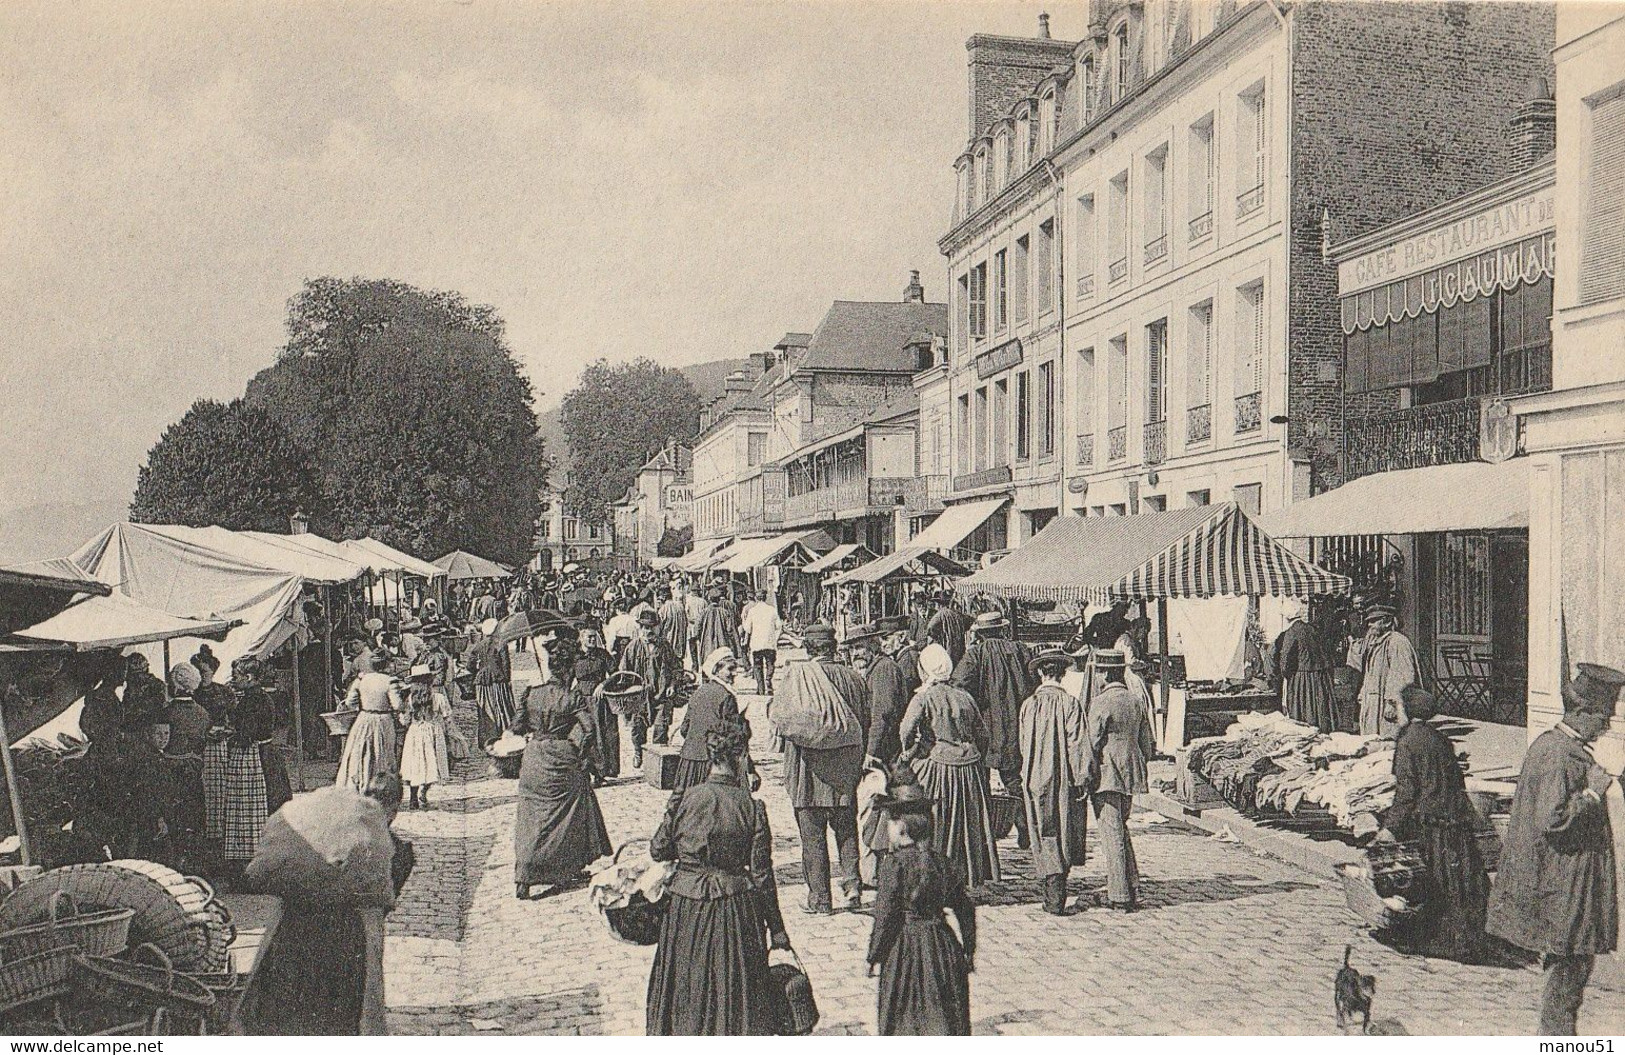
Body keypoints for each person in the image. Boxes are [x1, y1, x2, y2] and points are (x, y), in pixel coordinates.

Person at [1487, 663, 1621, 1036]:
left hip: (1567, 886)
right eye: (1602, 717)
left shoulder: (1560, 748)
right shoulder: (1558, 755)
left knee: (1570, 975)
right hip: (1563, 889)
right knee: (1567, 978)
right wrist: (1593, 793)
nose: (1607, 725)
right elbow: (1554, 820)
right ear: (1580, 713)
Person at [646, 721, 791, 1035]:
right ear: (740, 756)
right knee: (735, 990)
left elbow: (657, 851)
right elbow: (763, 876)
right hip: (734, 909)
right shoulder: (752, 808)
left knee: (687, 985)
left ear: (711, 758)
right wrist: (778, 930)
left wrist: (673, 812)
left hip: (685, 909)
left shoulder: (686, 799)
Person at [245, 777, 400, 1035]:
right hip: (348, 936)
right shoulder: (387, 848)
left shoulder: (299, 839)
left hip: (294, 926)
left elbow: (261, 874)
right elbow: (381, 900)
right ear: (392, 811)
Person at [1374, 686, 1489, 962]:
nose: (1395, 713)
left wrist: (1389, 828)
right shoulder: (1440, 739)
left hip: (1429, 824)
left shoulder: (1407, 742)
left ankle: (1437, 939)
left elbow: (1407, 793)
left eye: (1398, 707)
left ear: (1409, 711)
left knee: (1430, 883)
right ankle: (1467, 940)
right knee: (1458, 885)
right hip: (1453, 821)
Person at [865, 782, 976, 1036]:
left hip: (903, 950)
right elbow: (965, 908)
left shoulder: (894, 865)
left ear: (902, 828)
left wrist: (874, 956)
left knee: (903, 1018)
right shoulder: (943, 863)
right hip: (942, 947)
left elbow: (885, 916)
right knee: (944, 1016)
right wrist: (968, 949)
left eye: (890, 823)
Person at [512, 622, 612, 900]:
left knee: (531, 817)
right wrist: (581, 755)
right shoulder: (572, 697)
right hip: (562, 756)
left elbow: (517, 727)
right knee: (570, 813)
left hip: (534, 758)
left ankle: (524, 874)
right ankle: (567, 866)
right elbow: (590, 730)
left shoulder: (531, 693)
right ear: (569, 671)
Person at [781, 623, 871, 914]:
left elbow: (785, 723)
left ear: (808, 649)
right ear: (834, 648)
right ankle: (852, 884)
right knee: (846, 829)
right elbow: (864, 722)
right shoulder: (855, 679)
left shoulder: (798, 678)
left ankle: (820, 899)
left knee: (813, 837)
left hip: (808, 771)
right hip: (844, 769)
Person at [901, 643, 1000, 887]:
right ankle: (966, 874)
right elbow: (983, 734)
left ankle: (932, 875)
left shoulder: (923, 697)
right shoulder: (965, 697)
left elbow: (906, 730)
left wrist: (911, 751)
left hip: (938, 765)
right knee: (967, 823)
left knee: (937, 820)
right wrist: (975, 756)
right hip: (969, 768)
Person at [952, 610, 1034, 849]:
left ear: (981, 633)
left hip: (986, 726)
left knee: (982, 781)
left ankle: (986, 832)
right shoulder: (1020, 650)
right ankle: (1023, 824)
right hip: (1018, 723)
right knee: (1014, 778)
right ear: (1001, 629)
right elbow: (1033, 681)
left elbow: (958, 684)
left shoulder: (975, 655)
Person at [1081, 649, 1155, 912]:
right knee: (1121, 829)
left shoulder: (1100, 702)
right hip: (1131, 772)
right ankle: (1132, 885)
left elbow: (1091, 742)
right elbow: (1147, 743)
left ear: (1104, 673)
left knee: (1111, 833)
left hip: (1107, 773)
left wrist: (1084, 775)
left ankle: (1120, 894)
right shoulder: (1135, 700)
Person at [1020, 647, 1090, 915]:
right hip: (1063, 777)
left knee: (1042, 828)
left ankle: (1051, 888)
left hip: (1035, 776)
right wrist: (1082, 777)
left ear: (1040, 673)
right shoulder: (1070, 704)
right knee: (1063, 827)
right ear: (1061, 674)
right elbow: (1077, 744)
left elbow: (1024, 744)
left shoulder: (1029, 705)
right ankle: (1058, 885)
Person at [674, 648, 757, 793]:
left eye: (735, 669)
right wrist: (750, 769)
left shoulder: (698, 692)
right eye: (730, 669)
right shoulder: (727, 697)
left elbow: (684, 729)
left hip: (689, 761)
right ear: (716, 670)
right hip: (713, 764)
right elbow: (735, 737)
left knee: (688, 805)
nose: (734, 673)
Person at [621, 608, 683, 767]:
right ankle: (638, 751)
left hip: (661, 695)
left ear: (657, 627)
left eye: (651, 627)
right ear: (640, 628)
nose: (648, 631)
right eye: (645, 627)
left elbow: (676, 668)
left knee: (661, 728)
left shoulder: (664, 646)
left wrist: (672, 684)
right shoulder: (632, 647)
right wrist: (628, 689)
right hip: (640, 696)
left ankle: (656, 760)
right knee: (638, 727)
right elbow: (623, 672)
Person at [334, 666, 405, 794]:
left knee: (360, 752)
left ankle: (360, 785)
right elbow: (397, 705)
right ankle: (379, 788)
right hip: (383, 720)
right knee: (382, 753)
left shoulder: (361, 680)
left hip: (364, 719)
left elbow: (350, 703)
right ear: (386, 664)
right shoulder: (390, 681)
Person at [1352, 604, 1420, 738]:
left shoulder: (1397, 642)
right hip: (1373, 701)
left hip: (1387, 704)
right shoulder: (1376, 642)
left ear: (1387, 621)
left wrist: (1393, 703)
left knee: (1388, 740)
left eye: (1374, 621)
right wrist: (1363, 693)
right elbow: (1368, 672)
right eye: (1369, 621)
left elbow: (1402, 675)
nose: (1370, 625)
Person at [1272, 599, 1337, 733]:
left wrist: (1286, 675)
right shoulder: (1312, 629)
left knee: (1303, 709)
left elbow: (1285, 660)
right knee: (1319, 707)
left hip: (1302, 677)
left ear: (1287, 617)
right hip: (1320, 677)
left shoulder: (1292, 632)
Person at [856, 620, 911, 770]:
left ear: (873, 646)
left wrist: (871, 751)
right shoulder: (875, 669)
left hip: (886, 748)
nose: (855, 653)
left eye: (859, 647)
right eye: (852, 648)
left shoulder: (884, 669)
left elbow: (882, 714)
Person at [399, 664, 451, 810]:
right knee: (432, 764)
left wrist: (402, 719)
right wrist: (448, 733)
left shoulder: (410, 699)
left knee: (415, 765)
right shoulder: (439, 698)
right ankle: (424, 791)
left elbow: (405, 721)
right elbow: (447, 717)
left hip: (415, 733)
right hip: (433, 731)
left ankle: (413, 797)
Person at [573, 628, 619, 782]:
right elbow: (566, 678)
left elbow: (616, 674)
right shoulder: (575, 656)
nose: (592, 640)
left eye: (594, 637)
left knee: (603, 735)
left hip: (600, 701)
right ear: (582, 638)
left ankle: (601, 773)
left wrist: (604, 684)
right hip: (581, 701)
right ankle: (584, 772)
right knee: (583, 736)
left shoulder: (602, 654)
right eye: (589, 637)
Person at [740, 590, 783, 694]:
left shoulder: (752, 611)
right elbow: (779, 626)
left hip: (756, 643)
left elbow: (747, 629)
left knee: (757, 666)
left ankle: (760, 688)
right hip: (769, 643)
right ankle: (768, 679)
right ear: (765, 598)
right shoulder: (772, 610)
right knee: (770, 663)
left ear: (756, 598)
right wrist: (775, 637)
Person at [925, 591, 971, 667]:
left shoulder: (939, 615)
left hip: (946, 652)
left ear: (938, 604)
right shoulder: (958, 614)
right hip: (960, 651)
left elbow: (930, 629)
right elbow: (969, 622)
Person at [694, 589, 738, 666]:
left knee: (707, 667)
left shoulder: (703, 612)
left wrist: (699, 638)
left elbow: (697, 629)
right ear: (719, 600)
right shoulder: (725, 612)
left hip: (707, 645)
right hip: (722, 645)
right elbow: (730, 630)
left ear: (709, 599)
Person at [656, 587, 690, 667]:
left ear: (663, 597)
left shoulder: (663, 609)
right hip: (680, 643)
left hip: (668, 644)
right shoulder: (680, 607)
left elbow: (659, 628)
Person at [683, 583, 708, 671]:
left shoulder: (688, 601)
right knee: (702, 646)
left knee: (692, 647)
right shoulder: (703, 601)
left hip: (692, 626)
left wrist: (691, 620)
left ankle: (695, 665)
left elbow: (686, 614)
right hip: (701, 626)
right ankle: (703, 664)